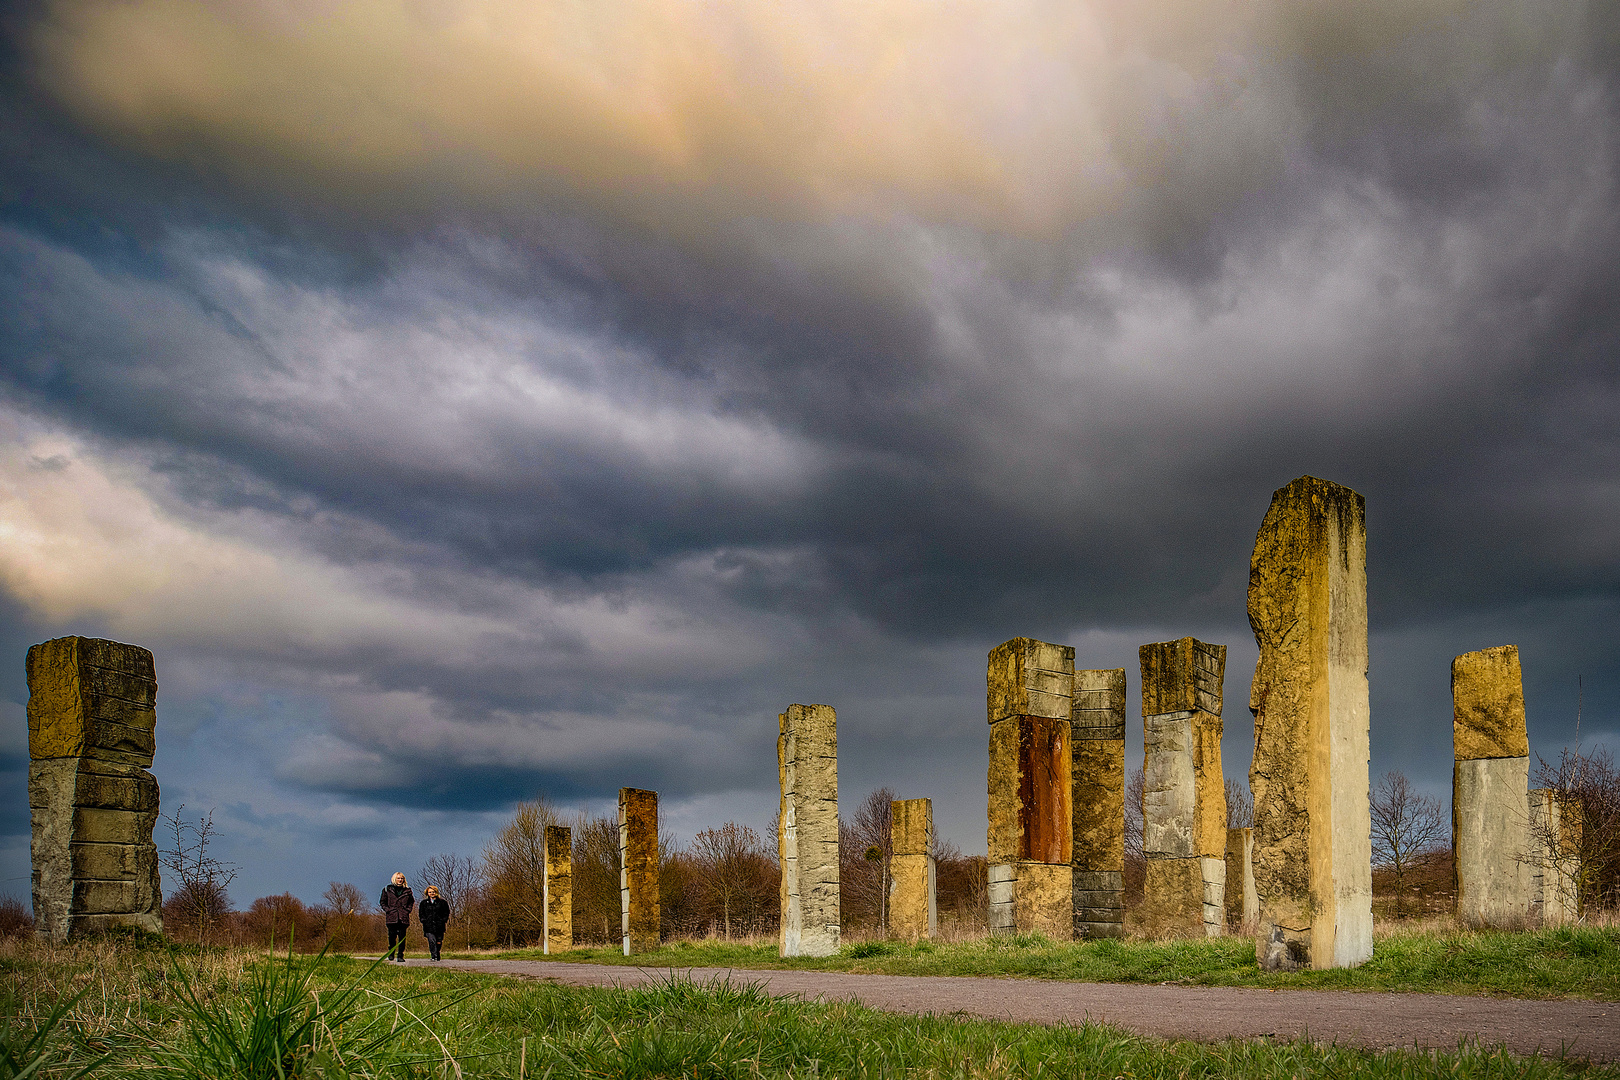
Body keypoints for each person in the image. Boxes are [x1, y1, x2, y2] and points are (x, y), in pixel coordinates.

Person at [380, 872, 414, 962]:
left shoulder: (408, 890)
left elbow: (411, 902)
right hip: (392, 917)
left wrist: (407, 910)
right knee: (392, 937)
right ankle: (391, 953)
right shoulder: (387, 889)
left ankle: (400, 955)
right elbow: (383, 902)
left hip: (403, 917)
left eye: (402, 878)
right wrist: (388, 910)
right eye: (398, 878)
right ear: (394, 879)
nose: (400, 880)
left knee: (402, 937)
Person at [419, 885, 450, 961]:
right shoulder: (424, 903)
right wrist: (423, 920)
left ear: (436, 892)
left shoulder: (442, 902)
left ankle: (437, 952)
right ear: (427, 893)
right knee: (431, 940)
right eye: (430, 892)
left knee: (438, 941)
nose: (432, 893)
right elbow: (421, 913)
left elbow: (446, 912)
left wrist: (443, 920)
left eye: (433, 892)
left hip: (439, 925)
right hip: (428, 925)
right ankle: (434, 955)